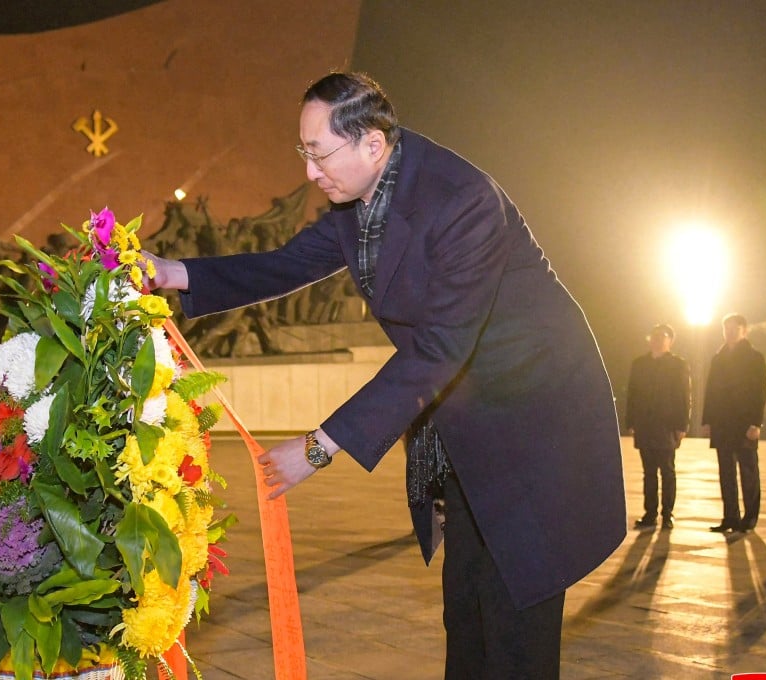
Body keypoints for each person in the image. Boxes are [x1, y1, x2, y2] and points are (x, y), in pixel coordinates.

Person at [145, 71, 626, 679]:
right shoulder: (361, 200)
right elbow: (286, 264)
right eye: (305, 152)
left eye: (319, 154)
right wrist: (174, 272)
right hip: (473, 427)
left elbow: (438, 349)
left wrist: (318, 448)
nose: (310, 173)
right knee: (469, 613)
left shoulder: (462, 201)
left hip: (535, 430)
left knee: (515, 625)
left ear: (372, 144)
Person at [702, 313, 766, 533]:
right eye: (726, 328)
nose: (729, 332)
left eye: (734, 328)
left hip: (744, 424)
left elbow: (761, 392)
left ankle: (749, 518)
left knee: (748, 472)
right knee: (726, 472)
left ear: (744, 330)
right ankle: (730, 517)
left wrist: (756, 423)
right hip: (722, 424)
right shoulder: (718, 358)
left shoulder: (754, 358)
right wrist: (708, 420)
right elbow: (710, 391)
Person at [625, 323, 691, 530]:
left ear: (670, 341)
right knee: (649, 472)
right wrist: (630, 421)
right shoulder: (640, 364)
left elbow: (684, 396)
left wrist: (682, 425)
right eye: (654, 336)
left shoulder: (678, 364)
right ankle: (650, 513)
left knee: (668, 471)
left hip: (667, 426)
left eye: (662, 336)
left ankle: (667, 513)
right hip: (645, 425)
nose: (657, 340)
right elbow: (632, 394)